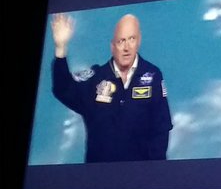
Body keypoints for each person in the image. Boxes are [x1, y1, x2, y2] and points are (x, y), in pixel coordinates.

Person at [50, 12, 173, 162]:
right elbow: (63, 89)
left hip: (141, 178)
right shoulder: (96, 78)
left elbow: (162, 126)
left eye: (131, 39)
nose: (126, 47)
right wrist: (60, 48)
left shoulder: (153, 75)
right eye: (121, 41)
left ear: (139, 40)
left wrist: (154, 171)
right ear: (112, 46)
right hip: (99, 178)